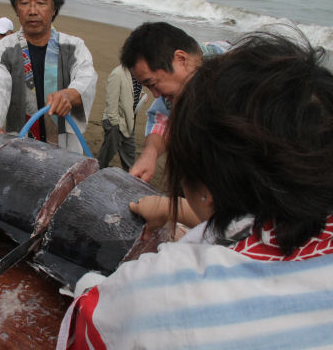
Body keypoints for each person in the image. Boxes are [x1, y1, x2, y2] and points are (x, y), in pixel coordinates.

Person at [57, 31, 333, 349]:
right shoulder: (250, 83)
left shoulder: (170, 290)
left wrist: (93, 283)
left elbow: (92, 315)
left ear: (208, 182)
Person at [0, 0, 97, 154]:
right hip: (18, 149)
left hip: (65, 151)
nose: (32, 11)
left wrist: (69, 95)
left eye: (41, 2)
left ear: (54, 7)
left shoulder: (74, 47)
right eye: (24, 2)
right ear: (16, 8)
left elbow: (87, 78)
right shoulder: (3, 50)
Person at [121, 22, 229, 182]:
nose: (156, 95)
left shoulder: (239, 81)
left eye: (152, 83)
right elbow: (161, 117)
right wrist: (150, 154)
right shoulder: (185, 78)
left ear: (181, 59)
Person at [96, 64, 144, 170]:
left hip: (129, 122)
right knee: (106, 156)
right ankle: (95, 175)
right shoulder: (118, 74)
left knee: (130, 156)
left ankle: (131, 181)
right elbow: (111, 101)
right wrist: (115, 123)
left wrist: (141, 96)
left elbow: (132, 94)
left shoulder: (138, 74)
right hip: (116, 123)